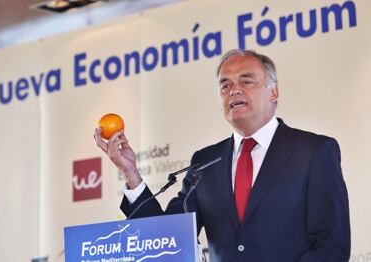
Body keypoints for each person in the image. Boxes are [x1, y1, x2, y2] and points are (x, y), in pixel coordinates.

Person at [94, 49, 350, 261]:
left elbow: (331, 247)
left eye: (247, 81)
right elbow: (166, 238)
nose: (234, 90)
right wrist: (131, 174)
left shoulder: (313, 151)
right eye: (225, 85)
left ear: (273, 91)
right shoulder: (205, 163)